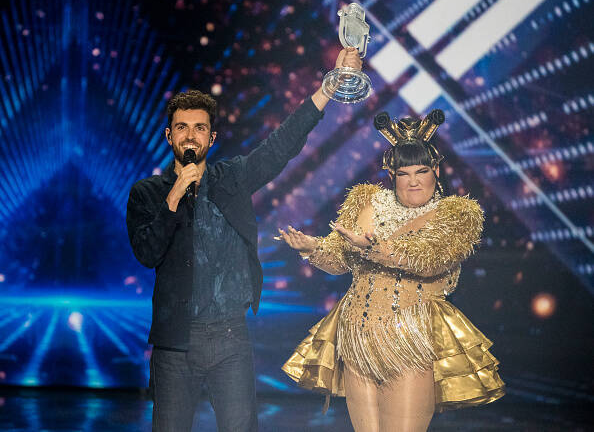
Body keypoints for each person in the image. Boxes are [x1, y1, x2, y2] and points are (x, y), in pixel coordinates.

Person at [126, 47, 363, 432]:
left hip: (229, 338)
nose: (191, 135)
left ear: (212, 137)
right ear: (169, 136)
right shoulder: (147, 193)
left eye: (199, 127)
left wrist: (328, 88)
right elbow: (147, 253)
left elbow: (280, 146)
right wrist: (174, 196)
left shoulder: (231, 178)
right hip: (175, 343)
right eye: (182, 127)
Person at [278, 109, 505, 432]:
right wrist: (311, 248)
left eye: (421, 171)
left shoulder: (455, 214)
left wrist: (373, 248)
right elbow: (339, 260)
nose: (413, 181)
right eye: (403, 173)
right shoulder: (368, 203)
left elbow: (431, 261)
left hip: (410, 337)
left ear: (436, 171)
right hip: (356, 334)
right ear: (392, 175)